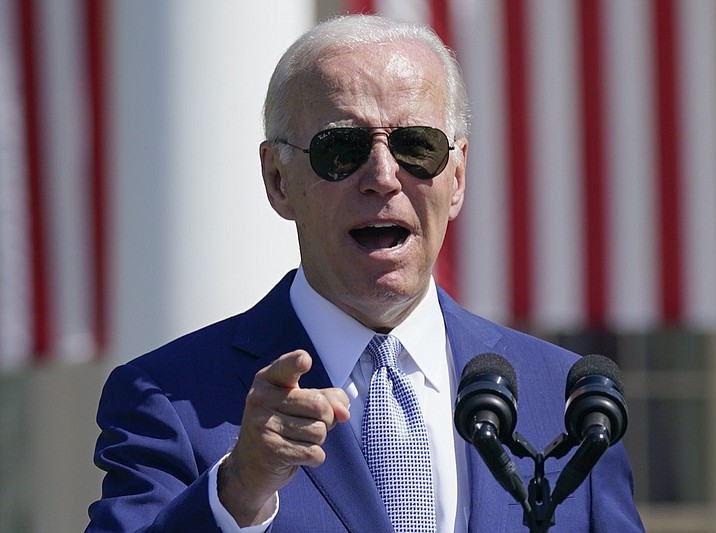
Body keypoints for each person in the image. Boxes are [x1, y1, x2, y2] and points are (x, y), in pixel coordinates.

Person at [87, 14, 644, 533]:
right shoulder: (169, 397)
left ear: (458, 175)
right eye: (342, 149)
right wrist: (238, 489)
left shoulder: (567, 400)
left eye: (415, 146)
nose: (382, 176)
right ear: (279, 180)